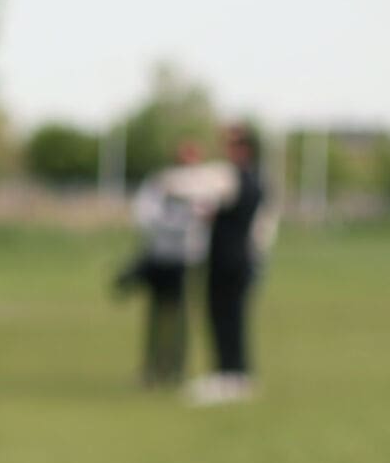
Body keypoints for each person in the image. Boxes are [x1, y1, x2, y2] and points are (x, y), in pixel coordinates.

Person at [116, 140, 214, 388]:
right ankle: (153, 368)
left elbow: (204, 220)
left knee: (181, 316)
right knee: (156, 316)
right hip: (160, 255)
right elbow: (146, 215)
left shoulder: (204, 185)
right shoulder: (160, 182)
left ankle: (177, 370)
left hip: (187, 258)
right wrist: (174, 225)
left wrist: (181, 224)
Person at [191, 122, 276, 405]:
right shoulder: (255, 179)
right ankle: (231, 373)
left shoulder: (235, 178)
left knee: (227, 317)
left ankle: (231, 375)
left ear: (244, 148)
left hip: (229, 259)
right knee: (229, 317)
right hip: (237, 258)